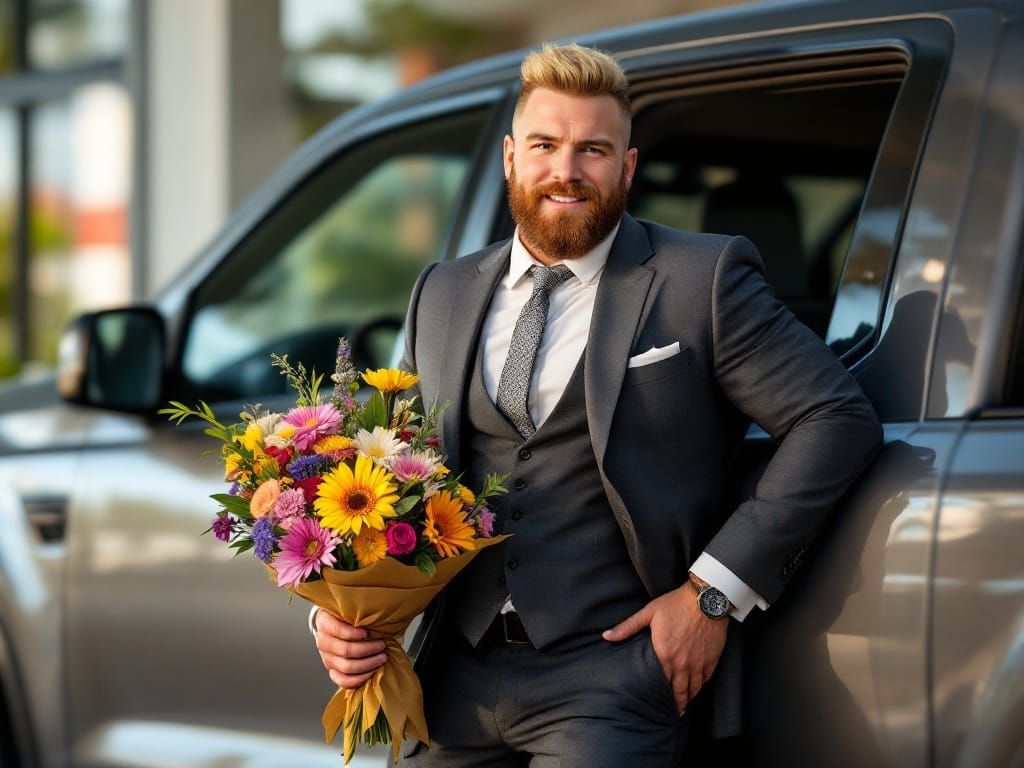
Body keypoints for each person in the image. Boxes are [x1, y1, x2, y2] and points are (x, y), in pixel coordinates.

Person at [311, 43, 882, 767]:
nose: (567, 171)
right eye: (546, 145)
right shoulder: (442, 290)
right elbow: (394, 476)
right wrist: (345, 617)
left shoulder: (699, 278)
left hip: (612, 677)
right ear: (512, 158)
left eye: (594, 150)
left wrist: (712, 593)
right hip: (454, 676)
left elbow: (834, 418)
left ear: (628, 167)